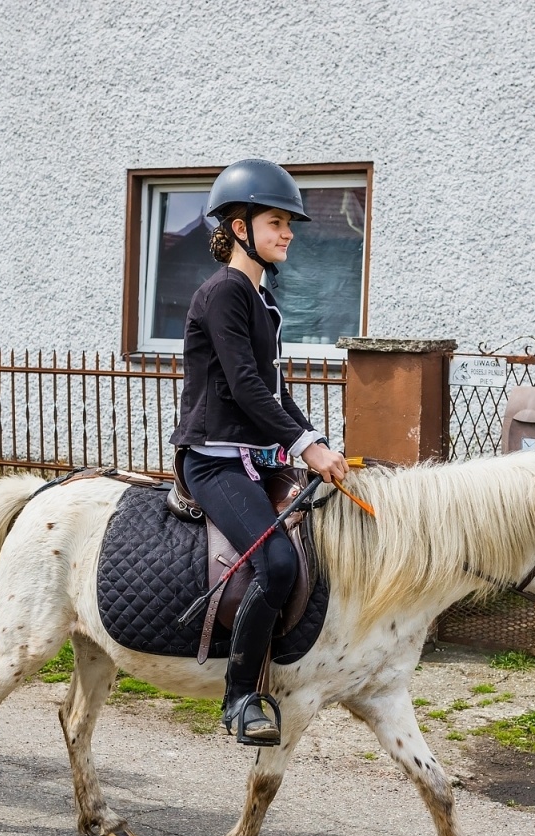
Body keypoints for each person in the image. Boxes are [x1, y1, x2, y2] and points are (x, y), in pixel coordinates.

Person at [169, 158, 349, 746]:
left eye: (289, 224)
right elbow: (245, 388)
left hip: (250, 457)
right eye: (277, 222)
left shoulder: (257, 297)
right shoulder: (224, 292)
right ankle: (241, 695)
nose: (289, 232)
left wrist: (317, 442)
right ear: (240, 227)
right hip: (214, 460)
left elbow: (273, 392)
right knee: (276, 564)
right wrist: (305, 445)